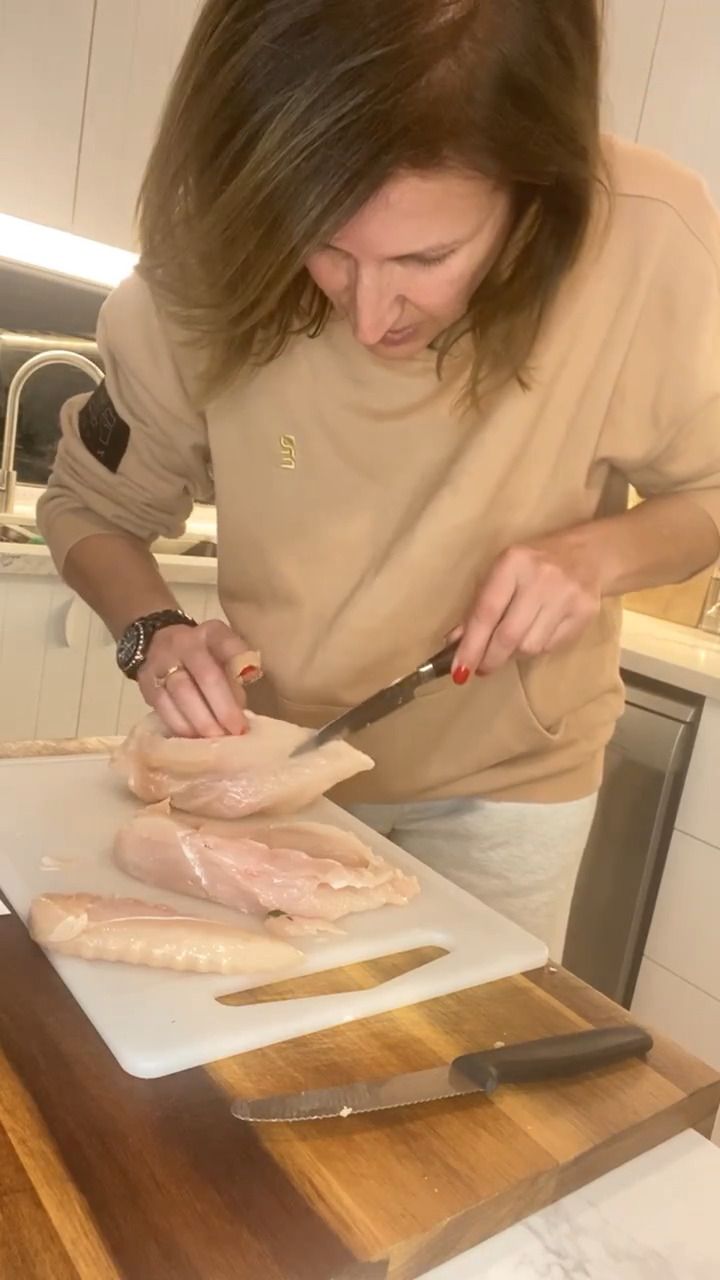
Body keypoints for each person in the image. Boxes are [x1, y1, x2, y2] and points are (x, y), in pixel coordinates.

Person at [37, 0, 720, 956]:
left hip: (509, 796)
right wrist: (152, 630)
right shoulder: (217, 243)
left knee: (469, 1047)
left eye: (427, 257)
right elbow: (88, 507)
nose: (368, 317)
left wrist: (599, 556)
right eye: (322, 244)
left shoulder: (645, 240)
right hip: (268, 772)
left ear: (537, 193)